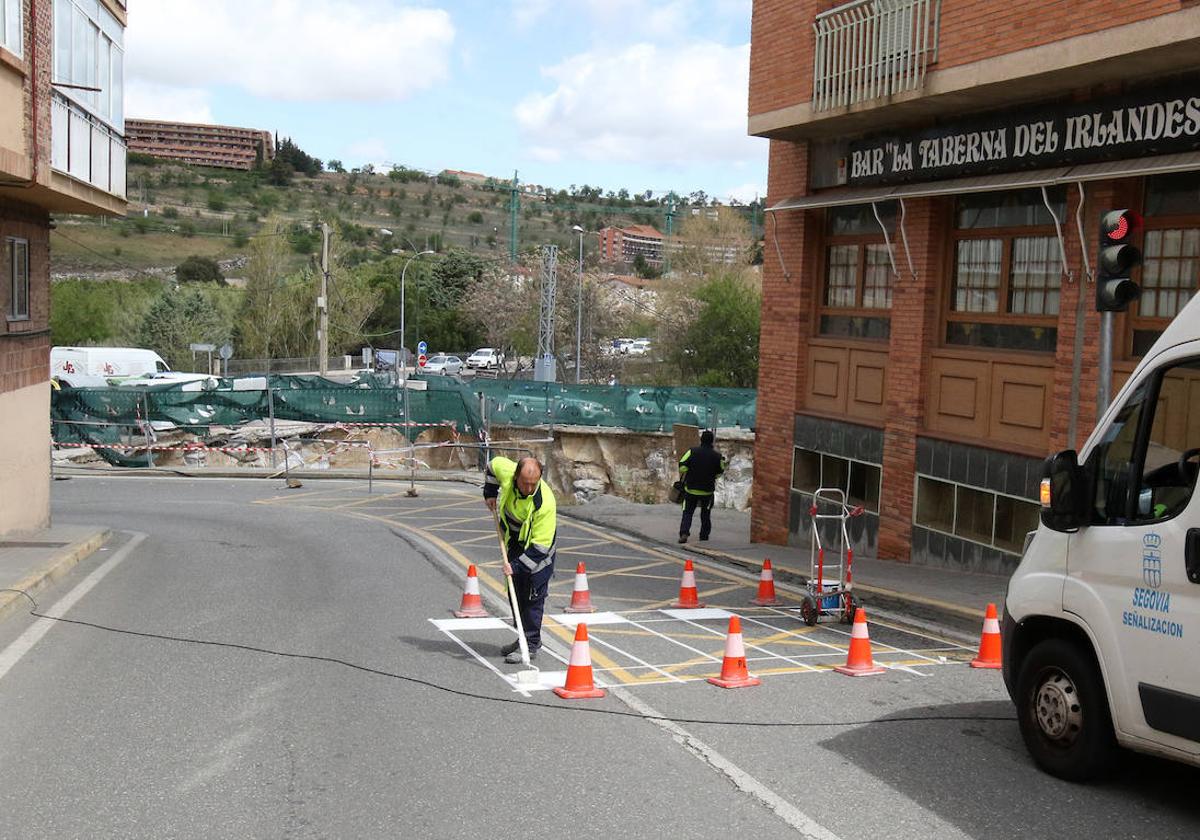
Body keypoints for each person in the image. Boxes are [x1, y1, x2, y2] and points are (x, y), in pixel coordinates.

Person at [483, 455, 557, 663]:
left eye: (534, 483)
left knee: (532, 595)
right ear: (516, 477)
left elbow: (540, 546)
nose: (529, 488)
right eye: (525, 483)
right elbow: (492, 466)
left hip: (538, 552)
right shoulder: (508, 472)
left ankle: (531, 644)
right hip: (516, 543)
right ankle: (522, 637)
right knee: (515, 591)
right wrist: (489, 493)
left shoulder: (545, 502)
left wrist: (515, 566)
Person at [677, 430, 727, 544]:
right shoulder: (717, 456)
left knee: (687, 512)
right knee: (706, 514)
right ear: (712, 441)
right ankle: (704, 536)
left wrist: (690, 470)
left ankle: (684, 533)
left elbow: (682, 465)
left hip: (691, 489)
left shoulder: (692, 451)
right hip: (707, 491)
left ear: (701, 439)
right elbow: (720, 472)